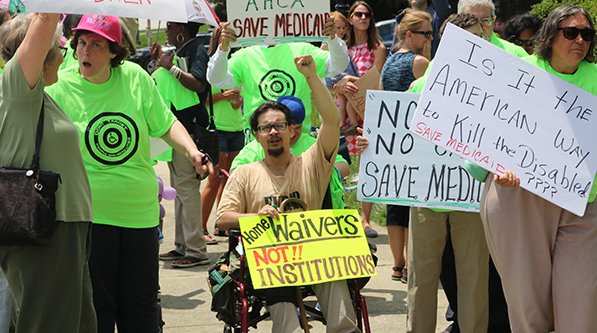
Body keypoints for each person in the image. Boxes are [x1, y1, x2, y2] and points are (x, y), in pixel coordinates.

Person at [45, 15, 213, 332]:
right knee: (98, 309)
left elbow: (166, 123)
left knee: (142, 306)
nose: (85, 51)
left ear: (114, 51)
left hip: (140, 215)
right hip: (90, 216)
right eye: (81, 43)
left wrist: (192, 151)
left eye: (96, 45)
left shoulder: (135, 77)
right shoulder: (59, 88)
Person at [466, 5, 597, 332]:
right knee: (529, 309)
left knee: (580, 304)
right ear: (551, 36)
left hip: (583, 205)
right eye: (571, 32)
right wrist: (498, 166)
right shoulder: (517, 72)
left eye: (587, 34)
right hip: (519, 199)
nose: (579, 39)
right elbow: (478, 148)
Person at [358, 14, 490, 332]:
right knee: (421, 275)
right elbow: (398, 135)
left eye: (479, 37)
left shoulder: (492, 91)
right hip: (426, 196)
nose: (474, 43)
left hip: (472, 195)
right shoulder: (420, 85)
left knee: (474, 275)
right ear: (447, 43)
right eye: (465, 37)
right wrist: (372, 144)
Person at [216, 54, 361, 333]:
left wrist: (311, 77)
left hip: (315, 254)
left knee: (333, 273)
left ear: (291, 130)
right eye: (266, 127)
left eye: (279, 125)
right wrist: (255, 216)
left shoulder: (311, 163)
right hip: (271, 259)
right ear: (256, 135)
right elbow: (223, 218)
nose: (273, 131)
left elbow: (331, 122)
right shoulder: (245, 172)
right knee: (277, 284)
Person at [0, 12, 97, 332]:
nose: (66, 52)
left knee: (77, 323)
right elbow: (44, 16)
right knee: (49, 323)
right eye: (62, 46)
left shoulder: (34, 97)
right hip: (43, 224)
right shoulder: (17, 89)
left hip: (62, 223)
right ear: (42, 55)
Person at [206, 16, 349, 138]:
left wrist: (332, 39)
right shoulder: (245, 54)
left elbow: (337, 66)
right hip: (259, 145)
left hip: (298, 142)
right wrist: (223, 50)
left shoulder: (302, 48)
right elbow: (216, 79)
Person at [150, 21, 212, 266]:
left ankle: (196, 251)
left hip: (190, 131)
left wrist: (171, 67)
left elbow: (198, 84)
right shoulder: (180, 50)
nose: (166, 30)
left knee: (187, 191)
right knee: (179, 192)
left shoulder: (197, 49)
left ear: (182, 30)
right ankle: (181, 246)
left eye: (170, 26)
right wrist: (162, 60)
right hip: (178, 131)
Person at [380, 8, 433, 283]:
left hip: (389, 142)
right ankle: (411, 265)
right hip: (412, 143)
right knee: (411, 204)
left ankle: (397, 264)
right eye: (426, 33)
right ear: (409, 34)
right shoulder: (421, 62)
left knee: (393, 205)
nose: (430, 38)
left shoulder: (388, 62)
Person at [230, 95, 350, 211]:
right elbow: (235, 172)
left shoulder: (312, 143)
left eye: (298, 128)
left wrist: (316, 170)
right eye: (281, 126)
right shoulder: (258, 147)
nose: (294, 134)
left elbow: (344, 166)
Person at [333, 1, 386, 238]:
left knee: (368, 163)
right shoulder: (340, 47)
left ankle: (365, 219)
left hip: (368, 111)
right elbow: (330, 82)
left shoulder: (379, 48)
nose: (363, 17)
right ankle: (337, 212)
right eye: (358, 14)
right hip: (342, 111)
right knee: (336, 161)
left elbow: (379, 81)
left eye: (367, 14)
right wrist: (341, 86)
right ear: (350, 19)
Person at [200, 28, 244, 244]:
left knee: (228, 180)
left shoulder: (238, 62)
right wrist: (222, 96)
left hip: (237, 127)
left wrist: (238, 101)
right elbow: (203, 102)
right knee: (214, 180)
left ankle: (221, 223)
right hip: (217, 129)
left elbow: (239, 97)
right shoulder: (212, 64)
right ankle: (201, 228)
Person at [322, 11, 360, 130]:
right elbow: (323, 62)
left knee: (344, 99)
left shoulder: (341, 43)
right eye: (338, 28)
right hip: (337, 76)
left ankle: (343, 124)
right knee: (349, 96)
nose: (342, 31)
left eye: (344, 27)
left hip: (341, 75)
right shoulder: (327, 43)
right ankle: (352, 124)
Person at [457, 0, 528, 57]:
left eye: (485, 20)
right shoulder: (448, 49)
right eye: (472, 20)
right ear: (460, 21)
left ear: (493, 20)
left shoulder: (517, 55)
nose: (479, 27)